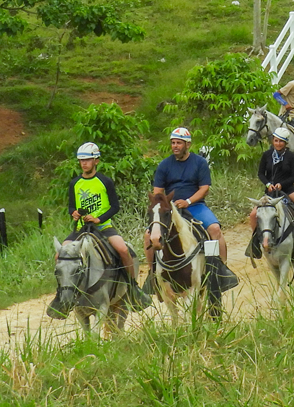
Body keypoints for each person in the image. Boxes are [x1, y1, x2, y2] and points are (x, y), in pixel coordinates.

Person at [64, 142, 152, 309]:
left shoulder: (105, 181)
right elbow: (71, 206)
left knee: (123, 249)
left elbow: (115, 207)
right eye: (81, 160)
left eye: (88, 160)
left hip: (103, 227)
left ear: (96, 161)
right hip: (81, 229)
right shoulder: (74, 183)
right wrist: (73, 213)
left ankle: (133, 288)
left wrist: (99, 219)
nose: (84, 163)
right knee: (60, 254)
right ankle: (63, 293)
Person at [145, 126, 230, 280]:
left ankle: (221, 270)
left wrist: (188, 201)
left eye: (178, 143)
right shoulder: (164, 165)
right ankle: (152, 274)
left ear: (187, 145)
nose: (175, 146)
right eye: (173, 143)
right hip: (170, 208)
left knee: (214, 229)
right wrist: (165, 204)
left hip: (195, 206)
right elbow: (157, 191)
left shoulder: (199, 162)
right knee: (148, 235)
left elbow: (204, 188)